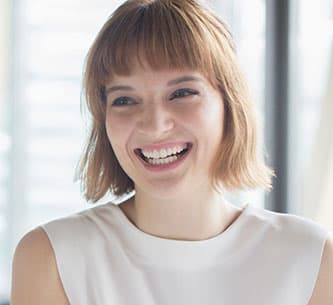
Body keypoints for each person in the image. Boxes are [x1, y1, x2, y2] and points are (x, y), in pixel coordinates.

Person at [10, 0, 333, 304]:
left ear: (229, 105)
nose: (154, 125)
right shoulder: (53, 256)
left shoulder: (312, 258)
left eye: (181, 93)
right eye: (124, 99)